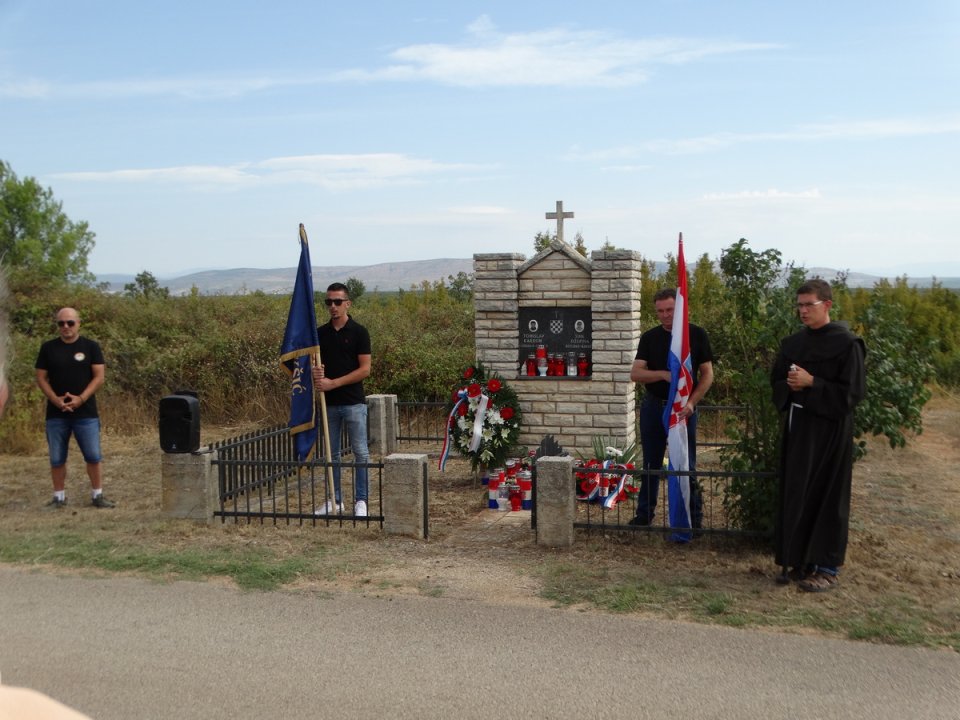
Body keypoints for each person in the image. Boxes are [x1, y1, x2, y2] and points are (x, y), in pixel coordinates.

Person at [771, 279, 865, 592]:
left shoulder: (847, 343)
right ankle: (800, 562)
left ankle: (826, 568)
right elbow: (777, 383)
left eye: (808, 304)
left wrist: (813, 383)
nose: (802, 310)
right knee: (798, 491)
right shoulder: (793, 343)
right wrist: (790, 385)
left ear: (826, 305)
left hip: (829, 431)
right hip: (799, 427)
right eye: (799, 304)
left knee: (827, 494)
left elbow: (851, 394)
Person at [628, 288, 714, 527]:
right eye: (660, 311)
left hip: (684, 409)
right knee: (650, 464)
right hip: (654, 407)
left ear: (680, 309)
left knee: (687, 463)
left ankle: (692, 519)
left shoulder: (696, 335)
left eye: (670, 310)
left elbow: (707, 375)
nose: (665, 315)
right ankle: (644, 515)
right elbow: (636, 373)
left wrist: (691, 403)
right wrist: (663, 375)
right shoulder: (649, 337)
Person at [34, 308, 114, 509]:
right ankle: (59, 497)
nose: (66, 327)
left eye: (70, 322)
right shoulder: (48, 348)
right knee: (57, 458)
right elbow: (41, 377)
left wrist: (80, 398)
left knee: (93, 456)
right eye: (61, 323)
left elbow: (99, 377)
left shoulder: (90, 346)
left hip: (85, 412)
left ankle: (98, 496)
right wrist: (55, 399)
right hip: (56, 413)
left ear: (78, 323)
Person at [312, 283, 371, 517]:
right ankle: (334, 500)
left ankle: (361, 501)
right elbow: (313, 368)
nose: (332, 306)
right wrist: (315, 373)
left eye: (337, 302)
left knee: (361, 452)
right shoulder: (320, 334)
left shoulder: (359, 332)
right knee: (331, 453)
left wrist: (333, 383)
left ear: (348, 303)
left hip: (353, 402)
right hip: (329, 404)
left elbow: (365, 369)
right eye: (329, 302)